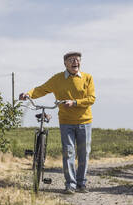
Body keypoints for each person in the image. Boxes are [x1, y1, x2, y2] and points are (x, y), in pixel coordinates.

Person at [19, 51, 96, 194]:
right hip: (66, 121)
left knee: (84, 153)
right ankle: (71, 185)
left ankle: (81, 183)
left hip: (84, 121)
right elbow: (41, 89)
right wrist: (28, 94)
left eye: (77, 60)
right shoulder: (58, 79)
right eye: (72, 60)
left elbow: (91, 98)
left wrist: (74, 102)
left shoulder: (87, 78)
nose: (75, 62)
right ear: (65, 63)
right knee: (68, 152)